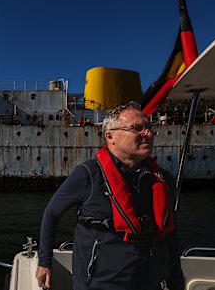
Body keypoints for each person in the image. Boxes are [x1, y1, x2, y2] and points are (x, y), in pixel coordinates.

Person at [36, 102, 184, 290]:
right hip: (101, 284)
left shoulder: (163, 180)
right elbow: (52, 214)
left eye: (149, 128)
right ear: (110, 137)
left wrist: (176, 280)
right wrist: (44, 261)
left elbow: (170, 233)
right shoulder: (88, 175)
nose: (148, 134)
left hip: (149, 283)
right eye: (137, 128)